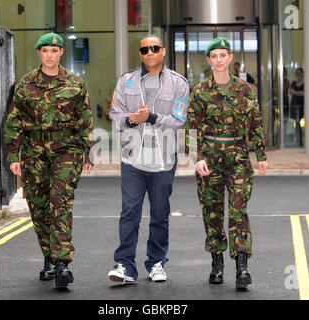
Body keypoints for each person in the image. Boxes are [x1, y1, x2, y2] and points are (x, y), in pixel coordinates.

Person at [4, 32, 94, 288]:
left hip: (67, 149)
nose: (50, 55)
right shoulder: (26, 83)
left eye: (54, 51)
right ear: (39, 54)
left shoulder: (75, 82)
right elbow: (14, 120)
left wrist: (87, 152)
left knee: (60, 202)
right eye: (45, 51)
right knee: (39, 205)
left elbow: (85, 119)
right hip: (34, 151)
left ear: (61, 53)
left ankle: (63, 263)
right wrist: (14, 154)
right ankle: (49, 256)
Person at [186, 37, 268, 290]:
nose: (219, 60)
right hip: (209, 157)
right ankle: (217, 263)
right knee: (212, 213)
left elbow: (255, 123)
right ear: (209, 60)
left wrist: (261, 156)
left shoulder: (245, 89)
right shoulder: (199, 91)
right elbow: (192, 128)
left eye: (223, 55)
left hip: (239, 157)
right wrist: (195, 158)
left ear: (230, 58)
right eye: (214, 56)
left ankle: (242, 267)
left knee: (238, 211)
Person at [108, 34, 189, 284]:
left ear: (163, 51)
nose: (149, 53)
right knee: (129, 212)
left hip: (163, 161)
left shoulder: (179, 83)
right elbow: (115, 114)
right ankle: (125, 266)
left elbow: (179, 119)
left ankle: (156, 263)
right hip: (133, 159)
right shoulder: (126, 81)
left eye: (154, 48)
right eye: (145, 50)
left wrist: (151, 117)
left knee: (159, 214)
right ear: (140, 54)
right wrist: (132, 119)